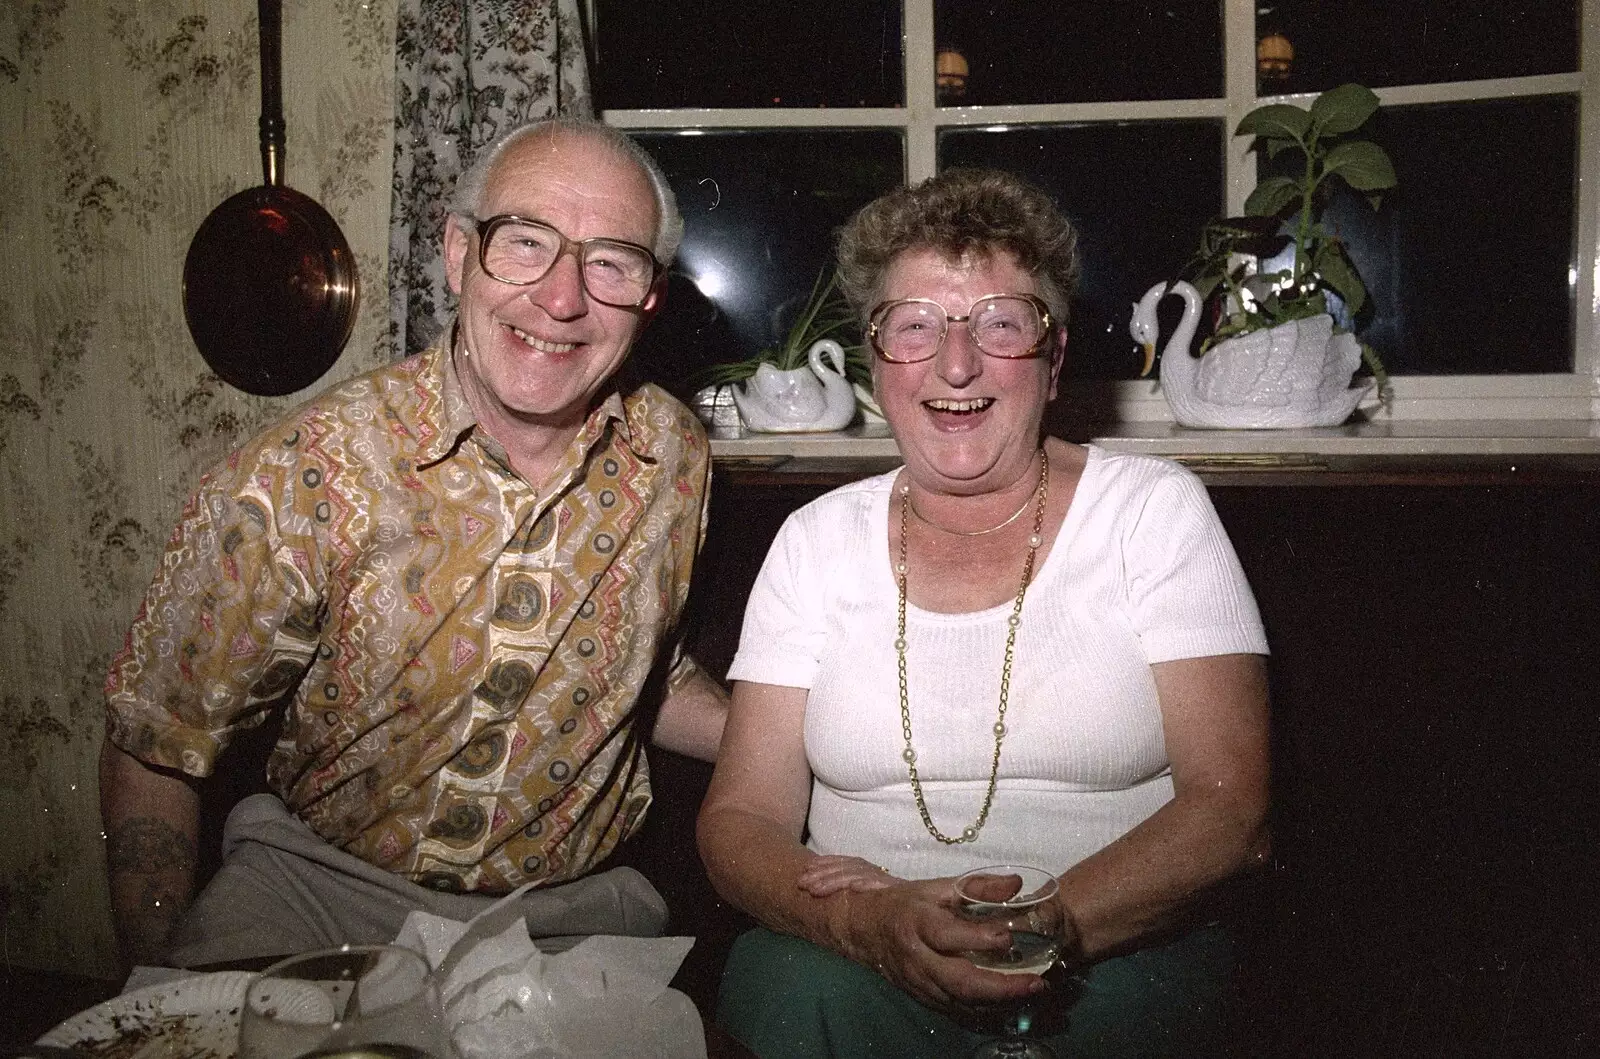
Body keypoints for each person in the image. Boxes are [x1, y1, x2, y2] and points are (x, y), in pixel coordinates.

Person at [100, 118, 729, 971]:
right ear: (458, 252)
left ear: (650, 295)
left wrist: (813, 740)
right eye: (525, 242)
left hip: (576, 918)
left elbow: (647, 673)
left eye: (611, 261)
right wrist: (161, 978)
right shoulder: (299, 472)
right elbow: (156, 738)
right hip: (317, 895)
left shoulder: (674, 457)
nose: (561, 298)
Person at [697, 168, 1271, 1058]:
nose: (954, 365)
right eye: (914, 326)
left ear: (1055, 356)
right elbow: (740, 822)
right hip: (856, 966)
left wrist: (1039, 930)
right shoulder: (812, 542)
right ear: (873, 358)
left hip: (1112, 959)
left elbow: (1234, 809)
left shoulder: (1155, 512)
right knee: (780, 986)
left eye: (999, 324)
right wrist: (871, 922)